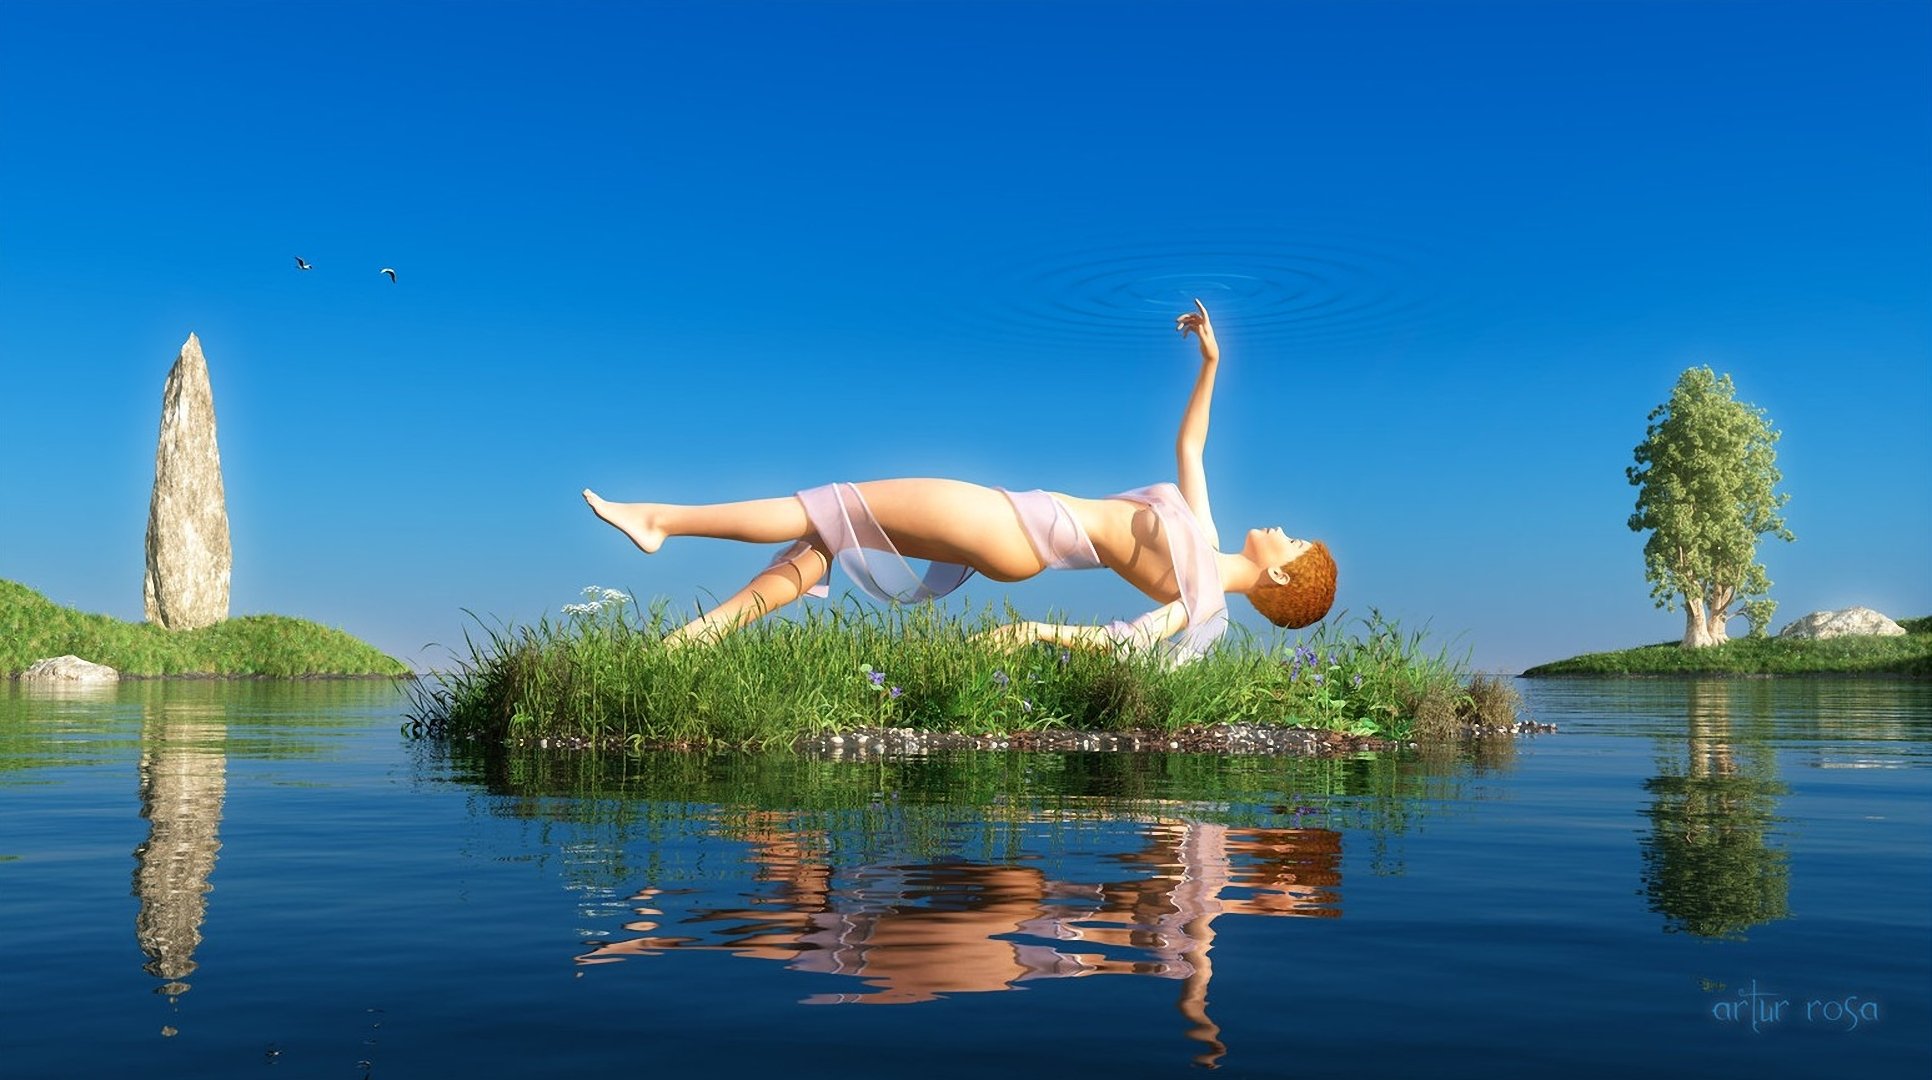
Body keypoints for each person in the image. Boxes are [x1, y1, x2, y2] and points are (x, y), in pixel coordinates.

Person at [583, 300, 1336, 654]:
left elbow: (1128, 642)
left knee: (831, 504)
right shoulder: (1203, 541)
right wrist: (1212, 363)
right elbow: (1193, 447)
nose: (1284, 529)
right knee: (828, 530)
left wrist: (1029, 632)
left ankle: (661, 521)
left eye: (1293, 544)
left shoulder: (1204, 594)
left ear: (1277, 580)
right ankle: (695, 638)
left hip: (1011, 529)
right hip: (1016, 529)